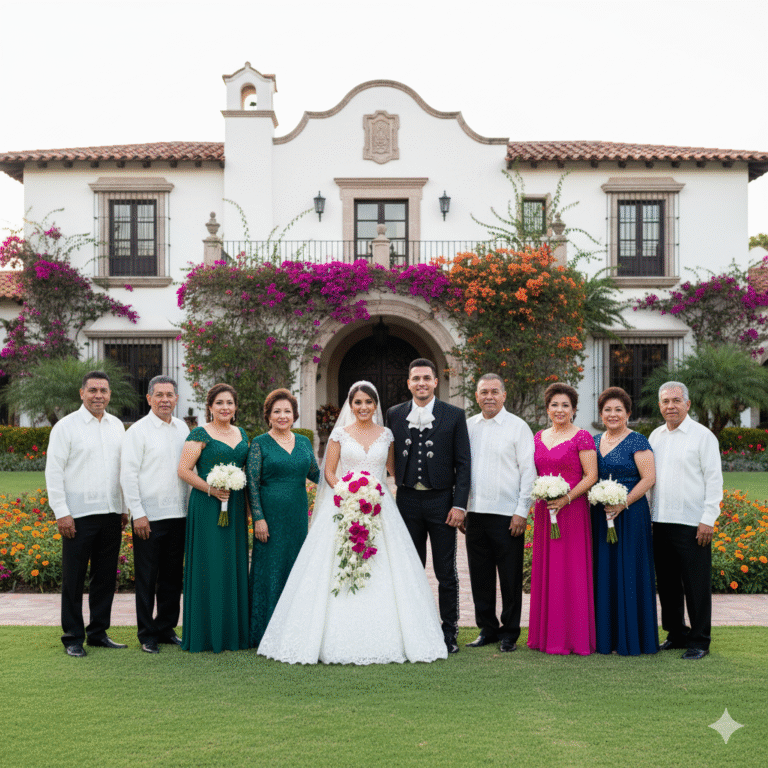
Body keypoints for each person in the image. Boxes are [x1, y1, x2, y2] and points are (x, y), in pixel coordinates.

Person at [257, 381, 448, 665]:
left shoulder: (387, 435)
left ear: (375, 406)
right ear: (350, 404)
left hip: (380, 509)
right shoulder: (339, 435)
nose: (363, 408)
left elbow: (393, 472)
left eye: (368, 403)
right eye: (357, 402)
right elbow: (330, 474)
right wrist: (349, 492)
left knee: (387, 568)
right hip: (344, 507)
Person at [386, 359, 471, 655]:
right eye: (415, 379)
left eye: (426, 378)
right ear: (408, 383)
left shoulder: (454, 415)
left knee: (446, 572)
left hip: (442, 502)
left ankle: (450, 633)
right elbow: (389, 456)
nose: (421, 383)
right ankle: (413, 630)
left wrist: (459, 504)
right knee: (410, 569)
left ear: (436, 382)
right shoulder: (395, 414)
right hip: (407, 501)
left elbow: (464, 464)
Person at [45, 370, 127, 657]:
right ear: (82, 393)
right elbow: (53, 473)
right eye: (92, 390)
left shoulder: (117, 426)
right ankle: (73, 637)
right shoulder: (66, 427)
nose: (98, 395)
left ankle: (98, 632)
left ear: (109, 394)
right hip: (78, 515)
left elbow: (122, 470)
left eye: (103, 390)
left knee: (105, 577)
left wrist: (124, 507)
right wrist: (62, 512)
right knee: (74, 578)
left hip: (111, 513)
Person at [649, 381, 723, 660]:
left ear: (687, 404)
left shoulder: (703, 437)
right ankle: (676, 634)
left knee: (696, 584)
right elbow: (651, 481)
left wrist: (708, 519)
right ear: (659, 405)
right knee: (667, 584)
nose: (671, 406)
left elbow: (714, 481)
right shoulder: (655, 437)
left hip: (693, 524)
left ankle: (700, 640)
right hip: (661, 521)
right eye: (666, 401)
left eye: (676, 401)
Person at [464, 374, 535, 652]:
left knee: (509, 576)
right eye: (484, 392)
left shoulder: (518, 427)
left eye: (494, 391)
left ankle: (509, 633)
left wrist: (522, 511)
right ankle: (487, 629)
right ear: (477, 396)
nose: (489, 396)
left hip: (508, 516)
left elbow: (528, 471)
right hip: (476, 514)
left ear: (504, 395)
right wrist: (464, 507)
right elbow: (462, 470)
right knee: (480, 576)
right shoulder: (468, 426)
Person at [177, 383, 249, 653]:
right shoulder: (199, 434)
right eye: (219, 403)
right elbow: (183, 470)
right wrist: (210, 488)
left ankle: (232, 632)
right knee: (210, 563)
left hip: (235, 507)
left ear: (235, 407)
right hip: (208, 505)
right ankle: (206, 633)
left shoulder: (241, 433)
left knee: (232, 563)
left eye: (229, 403)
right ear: (210, 407)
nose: (225, 408)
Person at [120, 376, 189, 654]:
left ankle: (165, 628)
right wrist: (138, 513)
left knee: (172, 577)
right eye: (159, 395)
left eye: (170, 395)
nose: (165, 400)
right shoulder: (137, 431)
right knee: (147, 578)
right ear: (149, 398)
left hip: (179, 515)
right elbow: (128, 475)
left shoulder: (183, 428)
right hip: (149, 517)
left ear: (176, 399)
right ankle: (147, 633)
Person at [528, 382, 597, 656]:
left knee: (571, 570)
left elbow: (591, 476)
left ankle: (573, 636)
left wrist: (567, 498)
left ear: (574, 409)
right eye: (554, 405)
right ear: (547, 409)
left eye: (565, 405)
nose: (559, 410)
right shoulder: (537, 437)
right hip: (546, 512)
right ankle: (545, 635)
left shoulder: (582, 437)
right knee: (548, 570)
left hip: (573, 511)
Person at [247, 388, 320, 648]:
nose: (282, 416)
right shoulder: (259, 443)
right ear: (268, 415)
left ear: (294, 415)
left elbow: (316, 475)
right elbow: (252, 484)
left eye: (287, 411)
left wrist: (346, 484)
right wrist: (259, 518)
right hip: (270, 519)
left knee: (295, 568)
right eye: (276, 411)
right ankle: (264, 631)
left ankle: (294, 630)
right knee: (270, 570)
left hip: (298, 517)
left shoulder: (303, 442)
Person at [591, 387, 658, 655]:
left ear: (628, 413)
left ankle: (633, 636)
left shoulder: (637, 440)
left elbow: (649, 478)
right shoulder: (594, 441)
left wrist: (623, 502)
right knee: (604, 571)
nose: (613, 414)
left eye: (618, 409)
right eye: (607, 409)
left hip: (631, 514)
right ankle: (605, 637)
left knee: (630, 570)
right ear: (601, 413)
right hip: (601, 514)